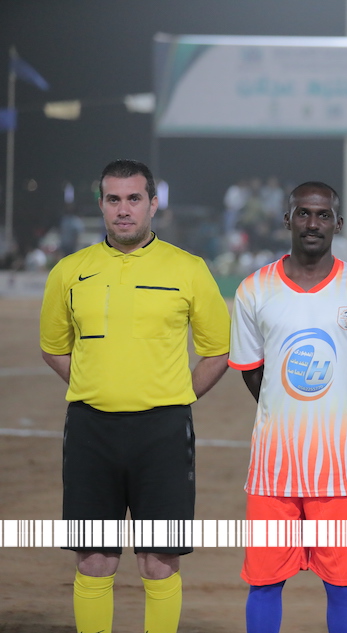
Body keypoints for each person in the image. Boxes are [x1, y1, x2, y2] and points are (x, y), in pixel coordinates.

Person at [39, 159, 231, 633]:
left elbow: (218, 351)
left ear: (153, 203)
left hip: (163, 431)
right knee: (93, 558)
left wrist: (176, 396)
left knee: (159, 559)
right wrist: (94, 384)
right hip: (90, 430)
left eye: (133, 199)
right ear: (101, 204)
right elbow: (53, 347)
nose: (123, 210)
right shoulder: (69, 271)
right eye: (113, 199)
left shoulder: (188, 269)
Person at [229, 181, 347, 633]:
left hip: (341, 471)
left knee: (343, 585)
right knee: (264, 582)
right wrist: (288, 412)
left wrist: (343, 419)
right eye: (303, 213)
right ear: (288, 218)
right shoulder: (253, 290)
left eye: (323, 215)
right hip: (273, 469)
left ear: (337, 223)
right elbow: (252, 372)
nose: (312, 223)